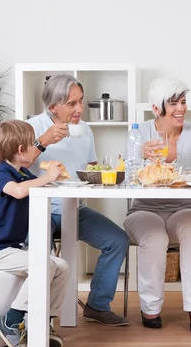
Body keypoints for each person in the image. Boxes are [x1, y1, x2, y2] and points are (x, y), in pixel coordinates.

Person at [27, 74, 130, 326]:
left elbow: (92, 168)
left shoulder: (85, 130)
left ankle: (97, 305)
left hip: (74, 207)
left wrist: (111, 171)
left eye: (81, 102)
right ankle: (41, 318)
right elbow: (14, 166)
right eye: (72, 104)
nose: (80, 109)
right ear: (53, 106)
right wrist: (43, 142)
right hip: (37, 209)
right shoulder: (30, 127)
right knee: (46, 256)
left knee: (117, 240)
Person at [124, 78, 191, 333]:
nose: (181, 109)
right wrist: (138, 153)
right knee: (154, 237)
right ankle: (150, 307)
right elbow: (127, 179)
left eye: (183, 102)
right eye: (173, 103)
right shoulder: (139, 133)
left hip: (184, 207)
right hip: (144, 209)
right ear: (156, 109)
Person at [0, 120, 69, 347]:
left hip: (12, 250)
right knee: (44, 264)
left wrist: (53, 176)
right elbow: (17, 191)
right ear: (20, 150)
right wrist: (46, 178)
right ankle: (11, 321)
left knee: (62, 266)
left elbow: (33, 185)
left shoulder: (23, 174)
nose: (35, 149)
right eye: (31, 145)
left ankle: (42, 323)